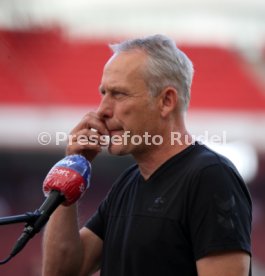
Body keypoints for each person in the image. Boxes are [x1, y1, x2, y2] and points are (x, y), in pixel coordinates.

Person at [42, 34, 252, 276]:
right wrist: (70, 170)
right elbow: (61, 272)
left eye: (119, 94)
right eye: (103, 93)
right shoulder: (128, 183)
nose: (102, 110)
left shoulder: (210, 177)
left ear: (166, 101)